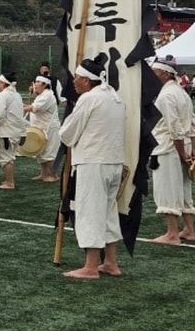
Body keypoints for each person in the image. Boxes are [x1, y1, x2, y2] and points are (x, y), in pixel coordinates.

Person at [57, 55, 126, 280]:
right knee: (107, 212)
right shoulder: (115, 97)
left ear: (87, 80)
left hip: (93, 162)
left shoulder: (89, 99)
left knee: (91, 211)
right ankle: (111, 262)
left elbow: (67, 135)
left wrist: (73, 114)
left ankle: (91, 266)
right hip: (113, 161)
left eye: (77, 77)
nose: (74, 81)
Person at [148, 60, 195, 245]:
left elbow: (174, 127)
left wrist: (181, 152)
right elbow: (193, 123)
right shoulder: (181, 93)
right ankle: (188, 230)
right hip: (182, 145)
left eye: (155, 72)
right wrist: (192, 149)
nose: (152, 75)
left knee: (167, 189)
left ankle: (172, 233)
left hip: (169, 147)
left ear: (165, 74)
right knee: (184, 189)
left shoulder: (166, 96)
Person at [23, 76, 61, 182]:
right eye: (35, 82)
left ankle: (53, 175)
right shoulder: (41, 95)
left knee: (49, 153)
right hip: (40, 128)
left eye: (38, 82)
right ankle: (43, 174)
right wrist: (22, 105)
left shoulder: (48, 95)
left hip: (49, 128)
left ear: (45, 85)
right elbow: (33, 105)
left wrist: (20, 108)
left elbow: (35, 108)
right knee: (41, 152)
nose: (35, 84)